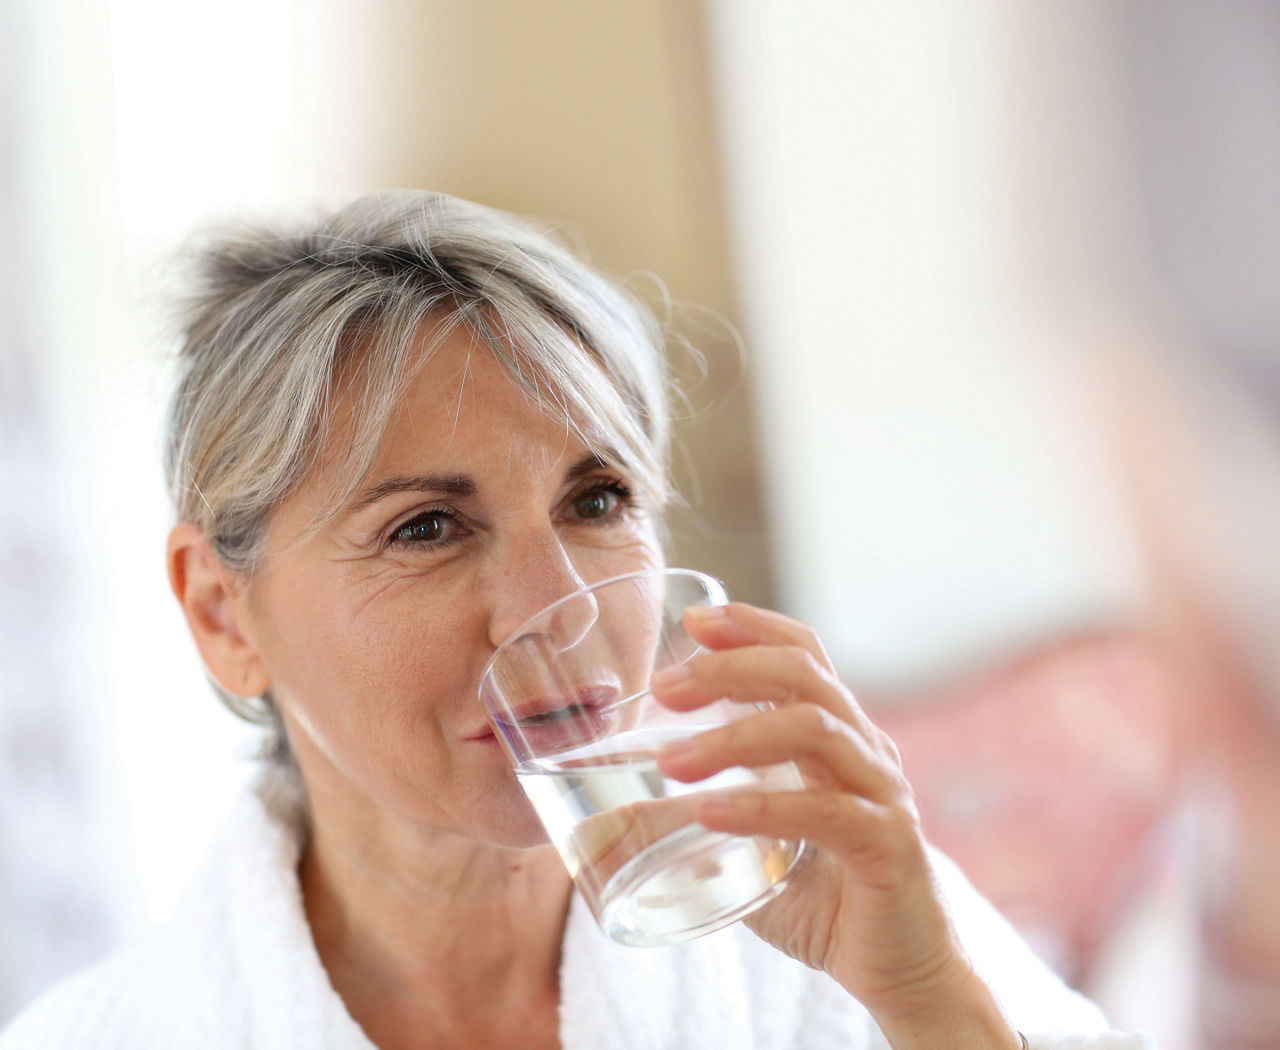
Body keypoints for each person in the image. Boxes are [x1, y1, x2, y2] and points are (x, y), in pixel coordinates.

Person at [0, 191, 1147, 1049]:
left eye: (596, 502)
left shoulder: (846, 938)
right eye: (425, 530)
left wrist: (929, 1001)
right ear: (220, 612)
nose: (554, 611)